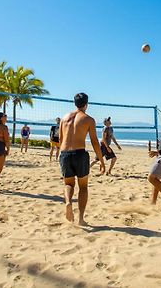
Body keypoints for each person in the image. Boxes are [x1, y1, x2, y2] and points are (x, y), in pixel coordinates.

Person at [59, 93, 105, 226]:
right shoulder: (88, 119)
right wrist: (101, 161)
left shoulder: (64, 118)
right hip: (80, 153)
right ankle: (81, 219)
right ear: (86, 104)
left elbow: (61, 140)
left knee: (68, 184)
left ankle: (68, 202)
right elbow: (95, 142)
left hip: (65, 154)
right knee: (83, 187)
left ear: (75, 103)